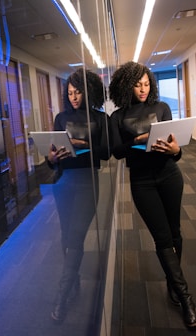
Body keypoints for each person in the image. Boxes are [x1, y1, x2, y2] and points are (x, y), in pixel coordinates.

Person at [109, 61, 196, 328]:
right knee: (161, 238)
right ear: (126, 85)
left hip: (169, 175)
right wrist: (136, 141)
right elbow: (117, 151)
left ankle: (173, 281)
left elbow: (176, 147)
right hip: (142, 181)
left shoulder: (162, 108)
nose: (143, 89)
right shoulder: (117, 117)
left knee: (175, 231)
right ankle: (185, 298)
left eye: (147, 84)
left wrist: (175, 151)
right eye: (138, 84)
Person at [47, 68, 110, 322]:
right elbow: (52, 158)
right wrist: (51, 159)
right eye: (70, 92)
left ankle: (62, 295)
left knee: (75, 236)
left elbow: (106, 153)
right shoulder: (60, 118)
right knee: (66, 237)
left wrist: (85, 145)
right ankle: (74, 282)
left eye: (78, 92)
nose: (74, 97)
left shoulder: (100, 117)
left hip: (87, 183)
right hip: (64, 182)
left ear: (88, 91)